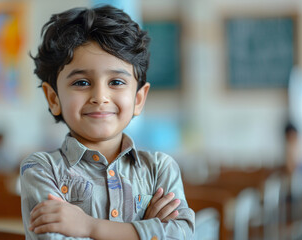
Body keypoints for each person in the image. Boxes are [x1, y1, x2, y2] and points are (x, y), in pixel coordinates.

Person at [20, 5, 195, 240]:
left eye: (116, 82)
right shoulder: (41, 169)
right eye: (81, 82)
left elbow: (181, 235)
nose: (100, 97)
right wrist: (145, 229)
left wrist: (89, 227)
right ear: (54, 98)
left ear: (139, 98)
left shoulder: (160, 169)